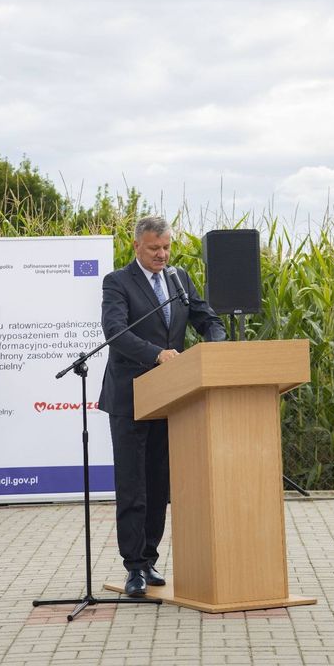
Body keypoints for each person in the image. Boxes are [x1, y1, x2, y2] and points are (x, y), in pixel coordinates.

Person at [99, 215, 226, 597]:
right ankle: (134, 567)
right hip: (131, 397)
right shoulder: (117, 282)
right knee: (133, 485)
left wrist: (215, 345)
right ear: (136, 245)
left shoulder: (178, 279)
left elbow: (207, 319)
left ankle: (150, 559)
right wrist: (157, 354)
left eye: (167, 247)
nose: (162, 254)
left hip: (171, 397)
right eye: (154, 248)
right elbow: (116, 332)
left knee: (157, 485)